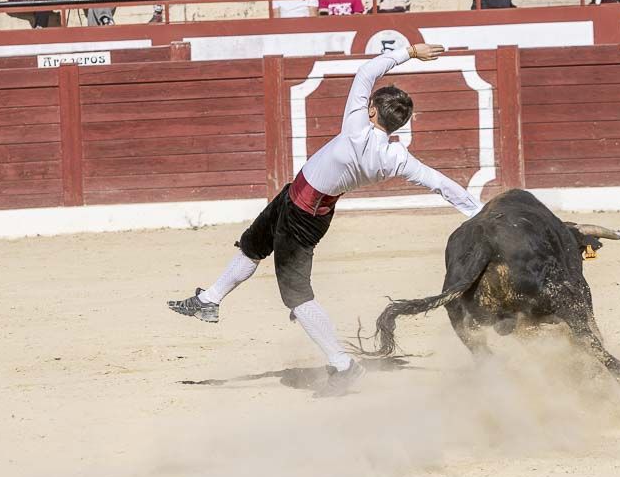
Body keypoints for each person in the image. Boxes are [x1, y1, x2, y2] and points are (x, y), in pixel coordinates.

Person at [167, 43, 482, 397]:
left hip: (300, 215)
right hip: (301, 203)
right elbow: (439, 182)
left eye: (370, 106)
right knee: (252, 245)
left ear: (373, 111)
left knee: (298, 298)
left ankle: (342, 365)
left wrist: (408, 52)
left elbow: (366, 73)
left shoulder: (356, 130)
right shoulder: (395, 157)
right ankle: (209, 301)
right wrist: (478, 212)